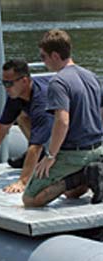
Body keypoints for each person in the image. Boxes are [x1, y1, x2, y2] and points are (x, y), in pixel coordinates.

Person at [23, 29, 103, 207]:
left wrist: (50, 156)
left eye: (43, 57)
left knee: (29, 199)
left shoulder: (58, 82)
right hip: (97, 149)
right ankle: (90, 172)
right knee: (70, 195)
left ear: (55, 55)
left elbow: (62, 121)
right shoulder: (92, 77)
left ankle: (82, 174)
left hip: (73, 153)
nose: (43, 61)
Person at [0, 59, 53, 193]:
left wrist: (23, 181)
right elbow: (2, 127)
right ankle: (40, 156)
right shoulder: (16, 96)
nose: (6, 88)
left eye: (9, 83)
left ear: (24, 81)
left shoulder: (41, 101)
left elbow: (35, 146)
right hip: (49, 129)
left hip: (72, 127)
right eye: (3, 83)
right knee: (20, 116)